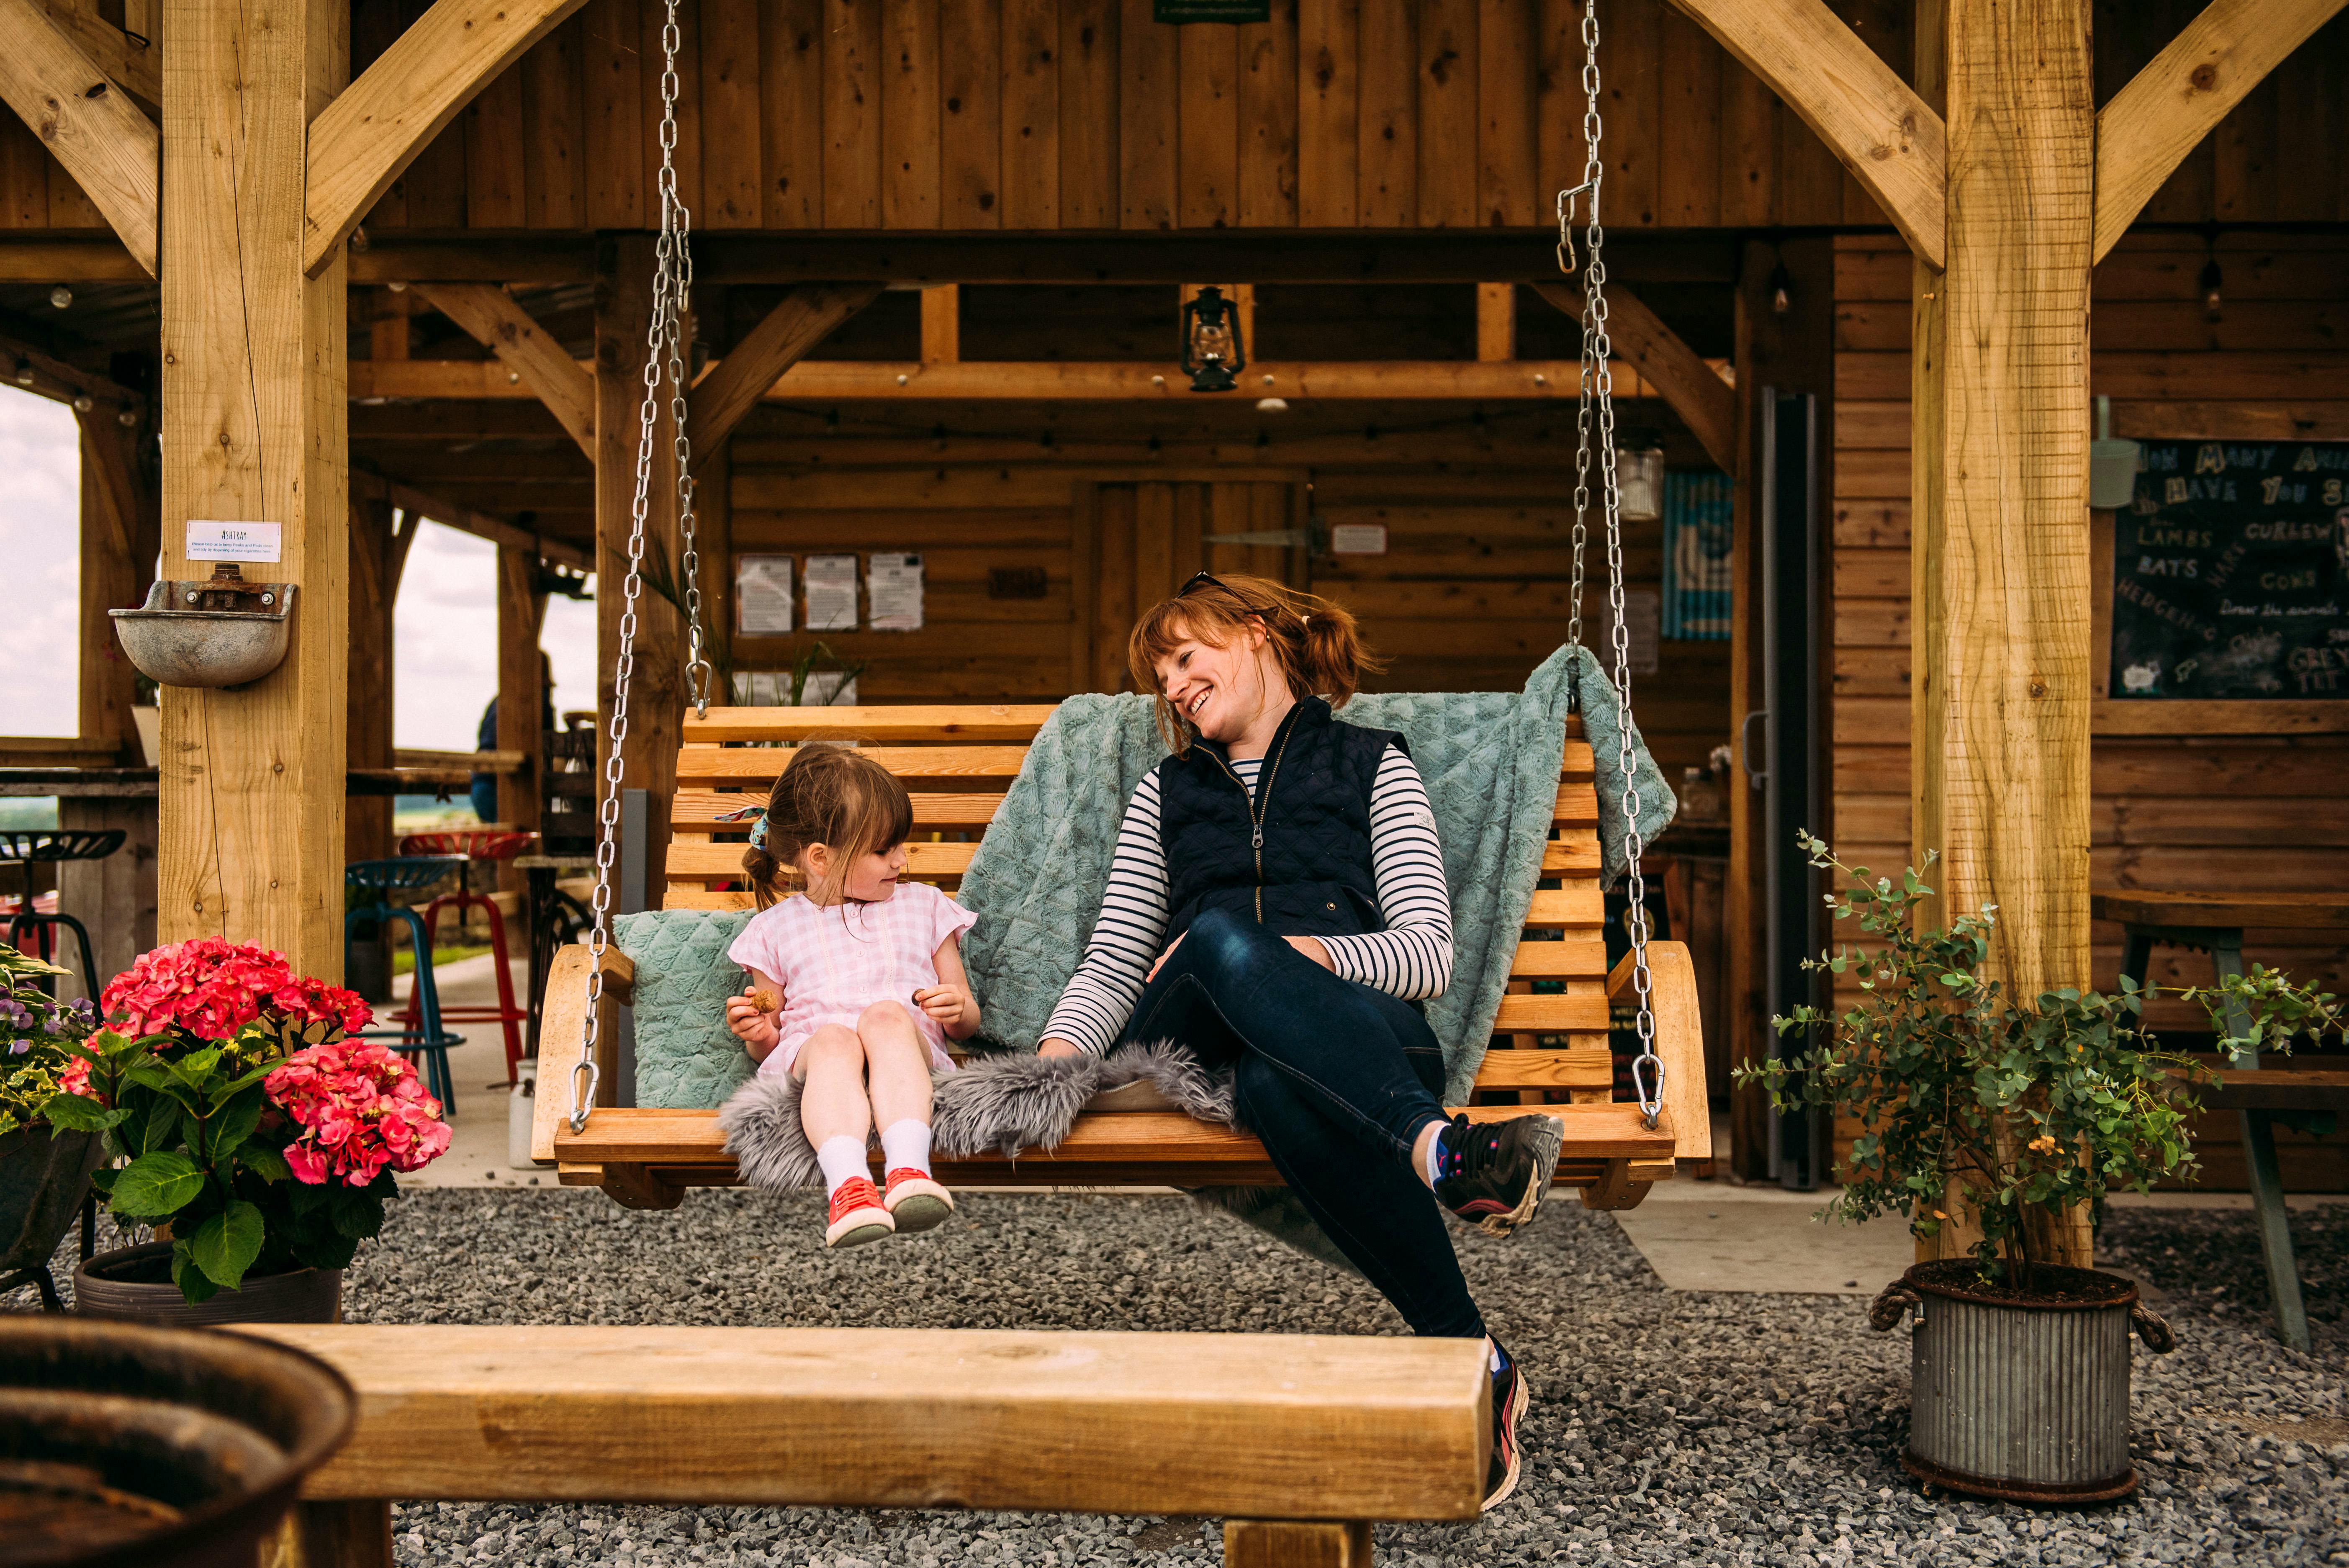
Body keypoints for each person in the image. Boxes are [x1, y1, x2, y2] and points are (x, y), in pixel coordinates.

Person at [1036, 572, 1561, 1511]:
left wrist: (1303, 953)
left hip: (1356, 1041)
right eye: (1161, 676)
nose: (1173, 685)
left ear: (1259, 632)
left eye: (1186, 657)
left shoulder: (1371, 764)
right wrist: (1047, 1073)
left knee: (1280, 1085)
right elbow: (1117, 961)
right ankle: (1443, 1150)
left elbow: (1426, 955)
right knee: (1213, 938)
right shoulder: (1166, 792)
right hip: (1199, 1042)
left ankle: (1473, 1360)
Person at [723, 744, 979, 1249]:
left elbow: (966, 1019)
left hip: (906, 1054)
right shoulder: (773, 930)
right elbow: (768, 1042)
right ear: (821, 857)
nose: (901, 860)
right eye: (883, 850)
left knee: (885, 1015)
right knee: (834, 1037)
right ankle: (849, 1188)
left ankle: (909, 1172)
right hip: (818, 1062)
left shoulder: (926, 906)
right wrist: (757, 1030)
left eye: (901, 846)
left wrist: (957, 1009)